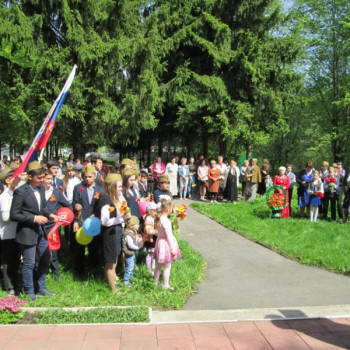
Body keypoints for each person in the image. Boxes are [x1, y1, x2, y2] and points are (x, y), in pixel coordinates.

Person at [10, 161, 59, 301]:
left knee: (45, 258)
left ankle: (41, 287)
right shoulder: (20, 191)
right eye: (39, 178)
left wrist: (50, 215)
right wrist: (33, 218)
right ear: (30, 176)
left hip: (41, 231)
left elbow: (42, 208)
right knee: (29, 262)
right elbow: (14, 214)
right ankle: (29, 291)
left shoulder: (41, 189)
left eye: (43, 177)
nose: (42, 180)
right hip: (27, 232)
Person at [94, 173, 131, 294]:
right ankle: (114, 290)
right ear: (112, 187)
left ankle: (114, 279)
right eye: (119, 186)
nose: (121, 189)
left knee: (115, 257)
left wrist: (127, 215)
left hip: (117, 231)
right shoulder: (106, 201)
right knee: (110, 262)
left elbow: (124, 209)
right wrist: (121, 219)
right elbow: (104, 222)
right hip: (109, 233)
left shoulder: (118, 198)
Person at [72, 165, 103, 275]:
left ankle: (94, 269)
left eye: (90, 177)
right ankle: (79, 270)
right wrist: (76, 216)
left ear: (95, 176)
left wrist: (97, 214)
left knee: (94, 246)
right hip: (81, 220)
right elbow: (74, 203)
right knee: (80, 247)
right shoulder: (78, 188)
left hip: (94, 221)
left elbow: (101, 206)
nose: (87, 179)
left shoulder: (100, 189)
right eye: (85, 177)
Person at [42, 170, 70, 279]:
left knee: (53, 250)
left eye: (51, 179)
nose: (50, 181)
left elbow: (67, 205)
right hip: (40, 224)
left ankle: (55, 272)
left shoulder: (56, 192)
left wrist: (66, 216)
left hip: (52, 226)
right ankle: (40, 271)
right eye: (47, 179)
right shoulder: (38, 192)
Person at [0, 168, 21, 295]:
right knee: (8, 261)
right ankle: (9, 286)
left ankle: (15, 282)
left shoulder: (16, 195)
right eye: (16, 178)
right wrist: (19, 213)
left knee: (16, 260)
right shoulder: (4, 197)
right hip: (7, 234)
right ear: (8, 180)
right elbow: (6, 218)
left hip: (17, 233)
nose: (18, 180)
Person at [154, 200, 181, 291]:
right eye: (172, 208)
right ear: (168, 209)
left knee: (158, 265)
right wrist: (173, 249)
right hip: (166, 244)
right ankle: (166, 284)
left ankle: (155, 282)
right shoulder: (166, 221)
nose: (173, 209)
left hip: (160, 242)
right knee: (167, 265)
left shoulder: (159, 218)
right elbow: (169, 236)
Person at [122, 216, 142, 288]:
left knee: (132, 265)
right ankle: (126, 280)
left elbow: (135, 240)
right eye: (137, 224)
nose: (139, 226)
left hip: (133, 253)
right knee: (130, 266)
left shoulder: (132, 232)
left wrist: (137, 237)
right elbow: (130, 245)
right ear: (132, 226)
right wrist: (138, 247)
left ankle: (131, 277)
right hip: (130, 253)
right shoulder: (128, 235)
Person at [144, 202, 157, 275]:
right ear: (149, 211)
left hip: (153, 238)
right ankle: (149, 268)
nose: (155, 212)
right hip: (150, 239)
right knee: (150, 254)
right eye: (154, 211)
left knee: (153, 253)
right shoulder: (148, 219)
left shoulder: (152, 218)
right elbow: (148, 231)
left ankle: (153, 266)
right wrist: (156, 231)